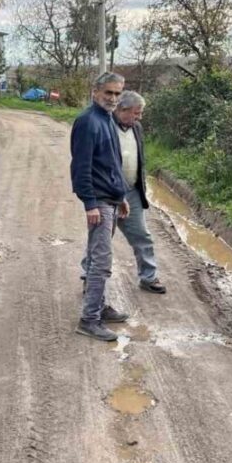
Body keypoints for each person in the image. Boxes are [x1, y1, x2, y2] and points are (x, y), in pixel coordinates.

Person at [70, 72, 131, 342]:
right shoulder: (87, 121)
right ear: (96, 92)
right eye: (109, 93)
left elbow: (112, 163)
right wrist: (89, 203)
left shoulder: (107, 119)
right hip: (99, 202)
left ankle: (99, 307)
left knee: (96, 257)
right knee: (101, 262)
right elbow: (80, 167)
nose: (113, 98)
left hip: (112, 200)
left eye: (118, 94)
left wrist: (122, 197)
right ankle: (89, 319)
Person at [110, 91, 165, 294]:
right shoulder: (105, 127)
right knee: (101, 239)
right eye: (136, 113)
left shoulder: (137, 128)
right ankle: (90, 278)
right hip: (107, 194)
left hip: (132, 192)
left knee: (142, 235)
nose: (139, 117)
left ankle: (148, 277)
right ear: (122, 109)